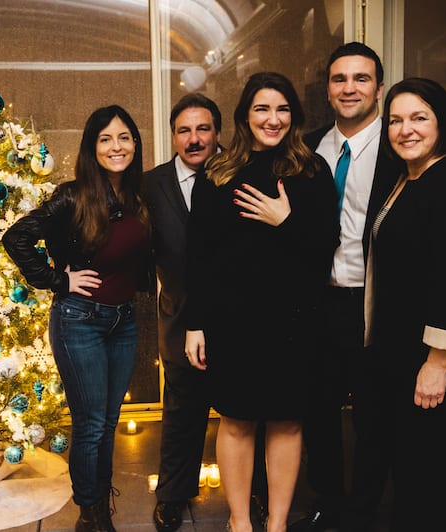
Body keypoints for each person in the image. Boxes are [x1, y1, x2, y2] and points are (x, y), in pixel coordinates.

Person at [184, 72, 340, 532]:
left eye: (282, 109)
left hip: (295, 320)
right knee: (236, 421)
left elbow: (325, 246)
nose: (272, 120)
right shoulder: (217, 174)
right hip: (233, 321)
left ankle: (275, 524)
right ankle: (240, 522)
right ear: (244, 115)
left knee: (288, 422)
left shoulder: (312, 171)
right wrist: (196, 324)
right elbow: (199, 257)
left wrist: (285, 219)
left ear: (293, 116)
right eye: (262, 109)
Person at [3, 105, 153, 532]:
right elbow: (16, 237)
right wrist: (57, 280)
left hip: (123, 321)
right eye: (105, 139)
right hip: (80, 321)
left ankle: (99, 504)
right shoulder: (72, 196)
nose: (116, 146)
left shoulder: (137, 197)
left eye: (124, 137)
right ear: (92, 148)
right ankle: (91, 516)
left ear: (135, 144)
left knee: (107, 422)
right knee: (90, 427)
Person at [363, 77, 446, 531]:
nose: (405, 129)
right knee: (413, 478)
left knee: (429, 480)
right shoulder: (407, 178)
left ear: (442, 123)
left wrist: (437, 363)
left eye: (419, 118)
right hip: (399, 356)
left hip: (434, 362)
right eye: (395, 120)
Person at [143, 93, 269, 531]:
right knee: (183, 412)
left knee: (249, 411)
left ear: (218, 132)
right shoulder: (151, 185)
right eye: (184, 130)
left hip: (239, 318)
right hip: (180, 320)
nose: (194, 139)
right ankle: (174, 495)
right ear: (173, 136)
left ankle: (257, 494)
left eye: (203, 129)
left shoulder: (243, 175)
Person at [296, 41, 399, 531]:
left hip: (375, 303)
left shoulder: (400, 146)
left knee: (374, 416)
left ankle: (363, 510)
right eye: (340, 79)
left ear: (379, 87)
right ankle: (328, 502)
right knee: (317, 409)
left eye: (361, 79)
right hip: (320, 301)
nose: (350, 88)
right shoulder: (309, 146)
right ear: (328, 90)